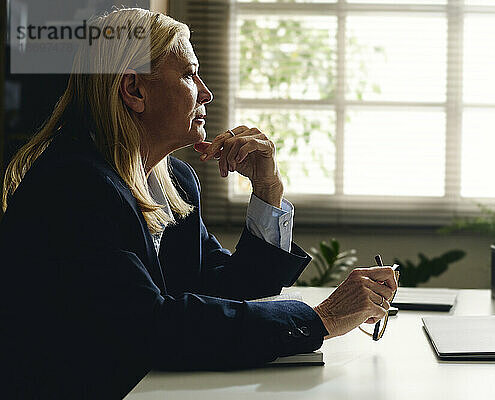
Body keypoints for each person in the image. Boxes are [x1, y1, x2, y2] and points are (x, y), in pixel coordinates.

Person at [0, 8, 397, 399]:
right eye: (190, 74)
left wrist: (267, 189)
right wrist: (322, 318)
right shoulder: (73, 186)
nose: (206, 92)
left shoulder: (175, 180)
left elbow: (228, 286)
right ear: (134, 90)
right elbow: (153, 326)